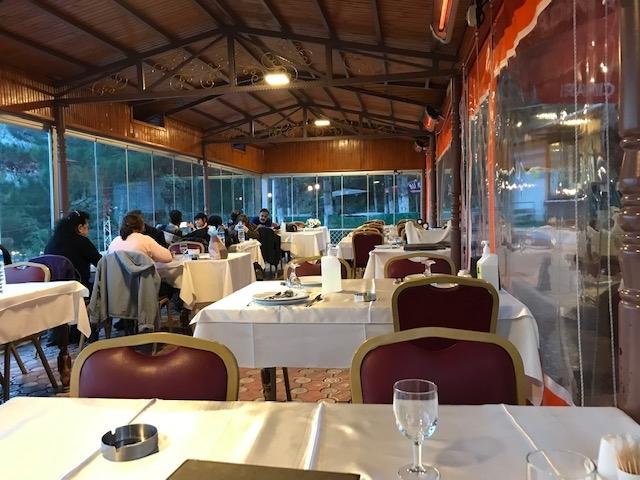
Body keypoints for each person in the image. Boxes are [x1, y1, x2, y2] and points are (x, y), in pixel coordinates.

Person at [44, 210, 102, 289]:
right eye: (87, 227)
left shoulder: (51, 243)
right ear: (80, 228)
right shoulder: (82, 241)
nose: (88, 231)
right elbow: (101, 263)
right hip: (78, 289)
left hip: (54, 290)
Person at [108, 213, 172, 263]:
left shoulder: (114, 242)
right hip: (142, 276)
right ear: (142, 226)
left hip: (116, 276)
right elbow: (168, 258)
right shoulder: (145, 240)